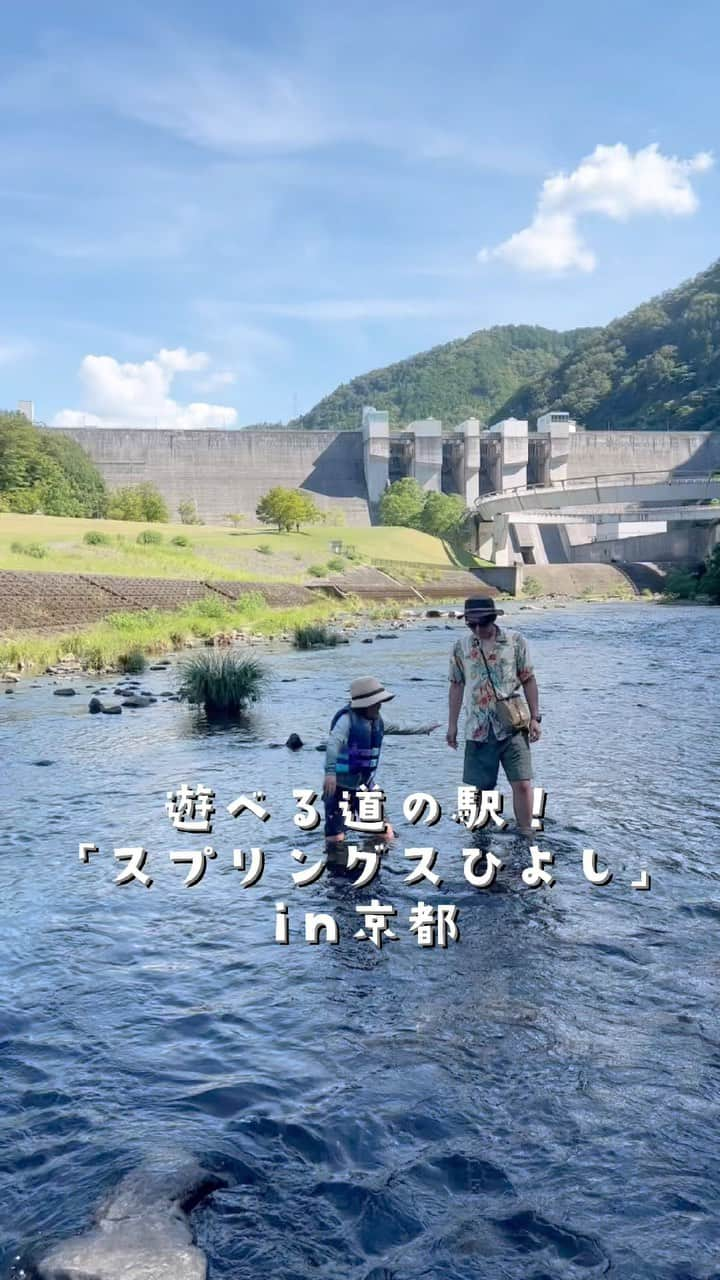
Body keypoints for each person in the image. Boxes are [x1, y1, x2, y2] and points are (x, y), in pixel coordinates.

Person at [447, 596, 542, 837]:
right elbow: (456, 685)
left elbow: (528, 679)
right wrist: (452, 725)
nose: (478, 630)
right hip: (477, 727)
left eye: (483, 623)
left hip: (513, 725)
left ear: (494, 619)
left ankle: (526, 833)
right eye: (471, 625)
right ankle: (480, 836)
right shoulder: (461, 647)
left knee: (522, 783)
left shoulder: (515, 641)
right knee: (481, 789)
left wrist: (535, 717)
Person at [323, 676, 396, 847]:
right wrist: (330, 773)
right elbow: (333, 744)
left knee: (385, 833)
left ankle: (381, 863)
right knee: (336, 839)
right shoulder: (346, 720)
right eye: (376, 702)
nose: (380, 705)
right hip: (339, 785)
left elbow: (398, 728)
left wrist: (427, 728)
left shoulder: (376, 721)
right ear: (365, 704)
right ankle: (338, 869)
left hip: (364, 784)